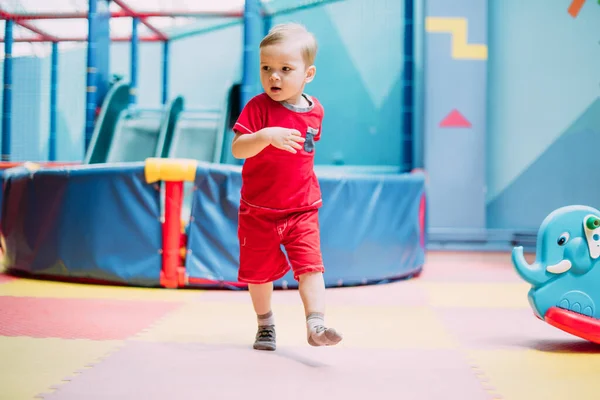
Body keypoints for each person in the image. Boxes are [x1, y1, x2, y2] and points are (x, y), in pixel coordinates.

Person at [231, 22, 343, 351]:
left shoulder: (315, 110)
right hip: (259, 210)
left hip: (302, 207)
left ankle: (316, 323)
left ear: (308, 74)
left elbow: (306, 150)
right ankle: (265, 324)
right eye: (266, 68)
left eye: (285, 69)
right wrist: (265, 136)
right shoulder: (258, 108)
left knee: (311, 266)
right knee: (258, 273)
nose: (274, 77)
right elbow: (238, 149)